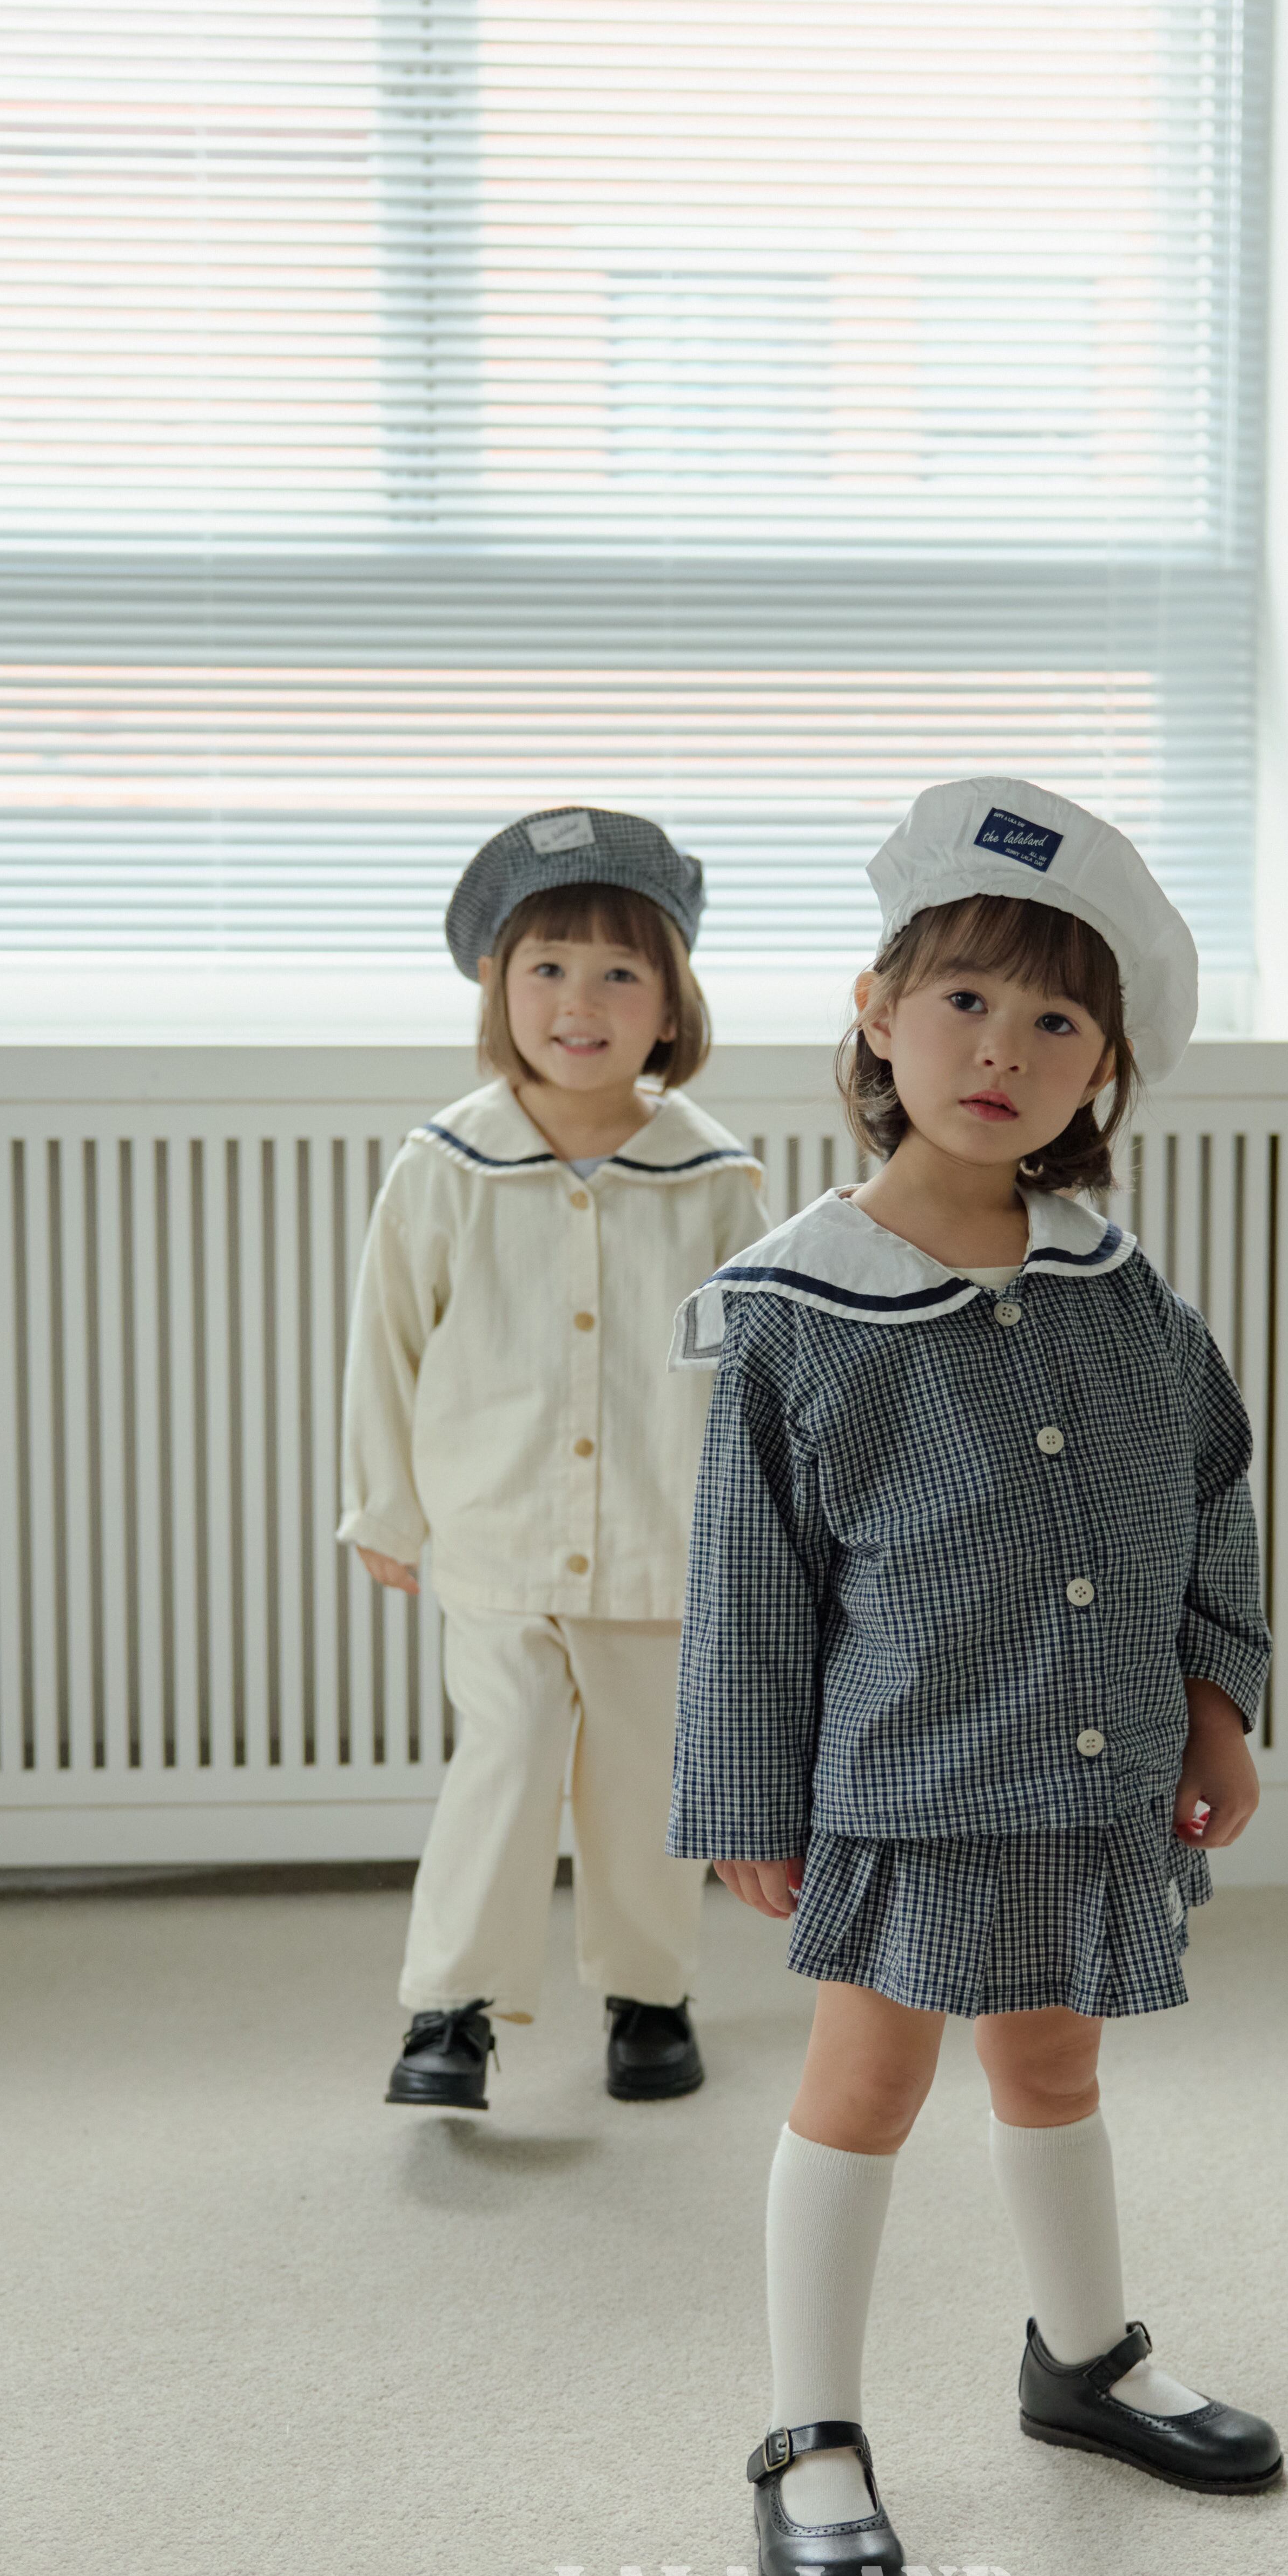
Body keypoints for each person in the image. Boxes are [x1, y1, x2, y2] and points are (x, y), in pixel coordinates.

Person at [668, 775, 1281, 2576]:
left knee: (1054, 2062)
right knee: (865, 2083)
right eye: (963, 1000)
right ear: (876, 1012)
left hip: (1094, 1772)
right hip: (906, 1781)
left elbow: (1209, 1493)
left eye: (1058, 1020)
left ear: (1104, 1069)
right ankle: (810, 2435)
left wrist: (1217, 1699)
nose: (1004, 1049)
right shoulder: (798, 1311)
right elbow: (749, 1587)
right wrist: (747, 1801)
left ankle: (1083, 2360)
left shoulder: (1125, 1294)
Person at [340, 807, 765, 2114]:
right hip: (497, 1536)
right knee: (507, 1756)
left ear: (669, 1003)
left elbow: (757, 1379)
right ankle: (450, 2008)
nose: (580, 1002)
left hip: (660, 1544)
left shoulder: (715, 1181)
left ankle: (650, 1994)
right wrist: (383, 1510)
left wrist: (760, 1535)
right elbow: (385, 1345)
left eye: (619, 972)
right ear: (496, 986)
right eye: (547, 967)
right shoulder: (443, 1167)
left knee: (644, 1779)